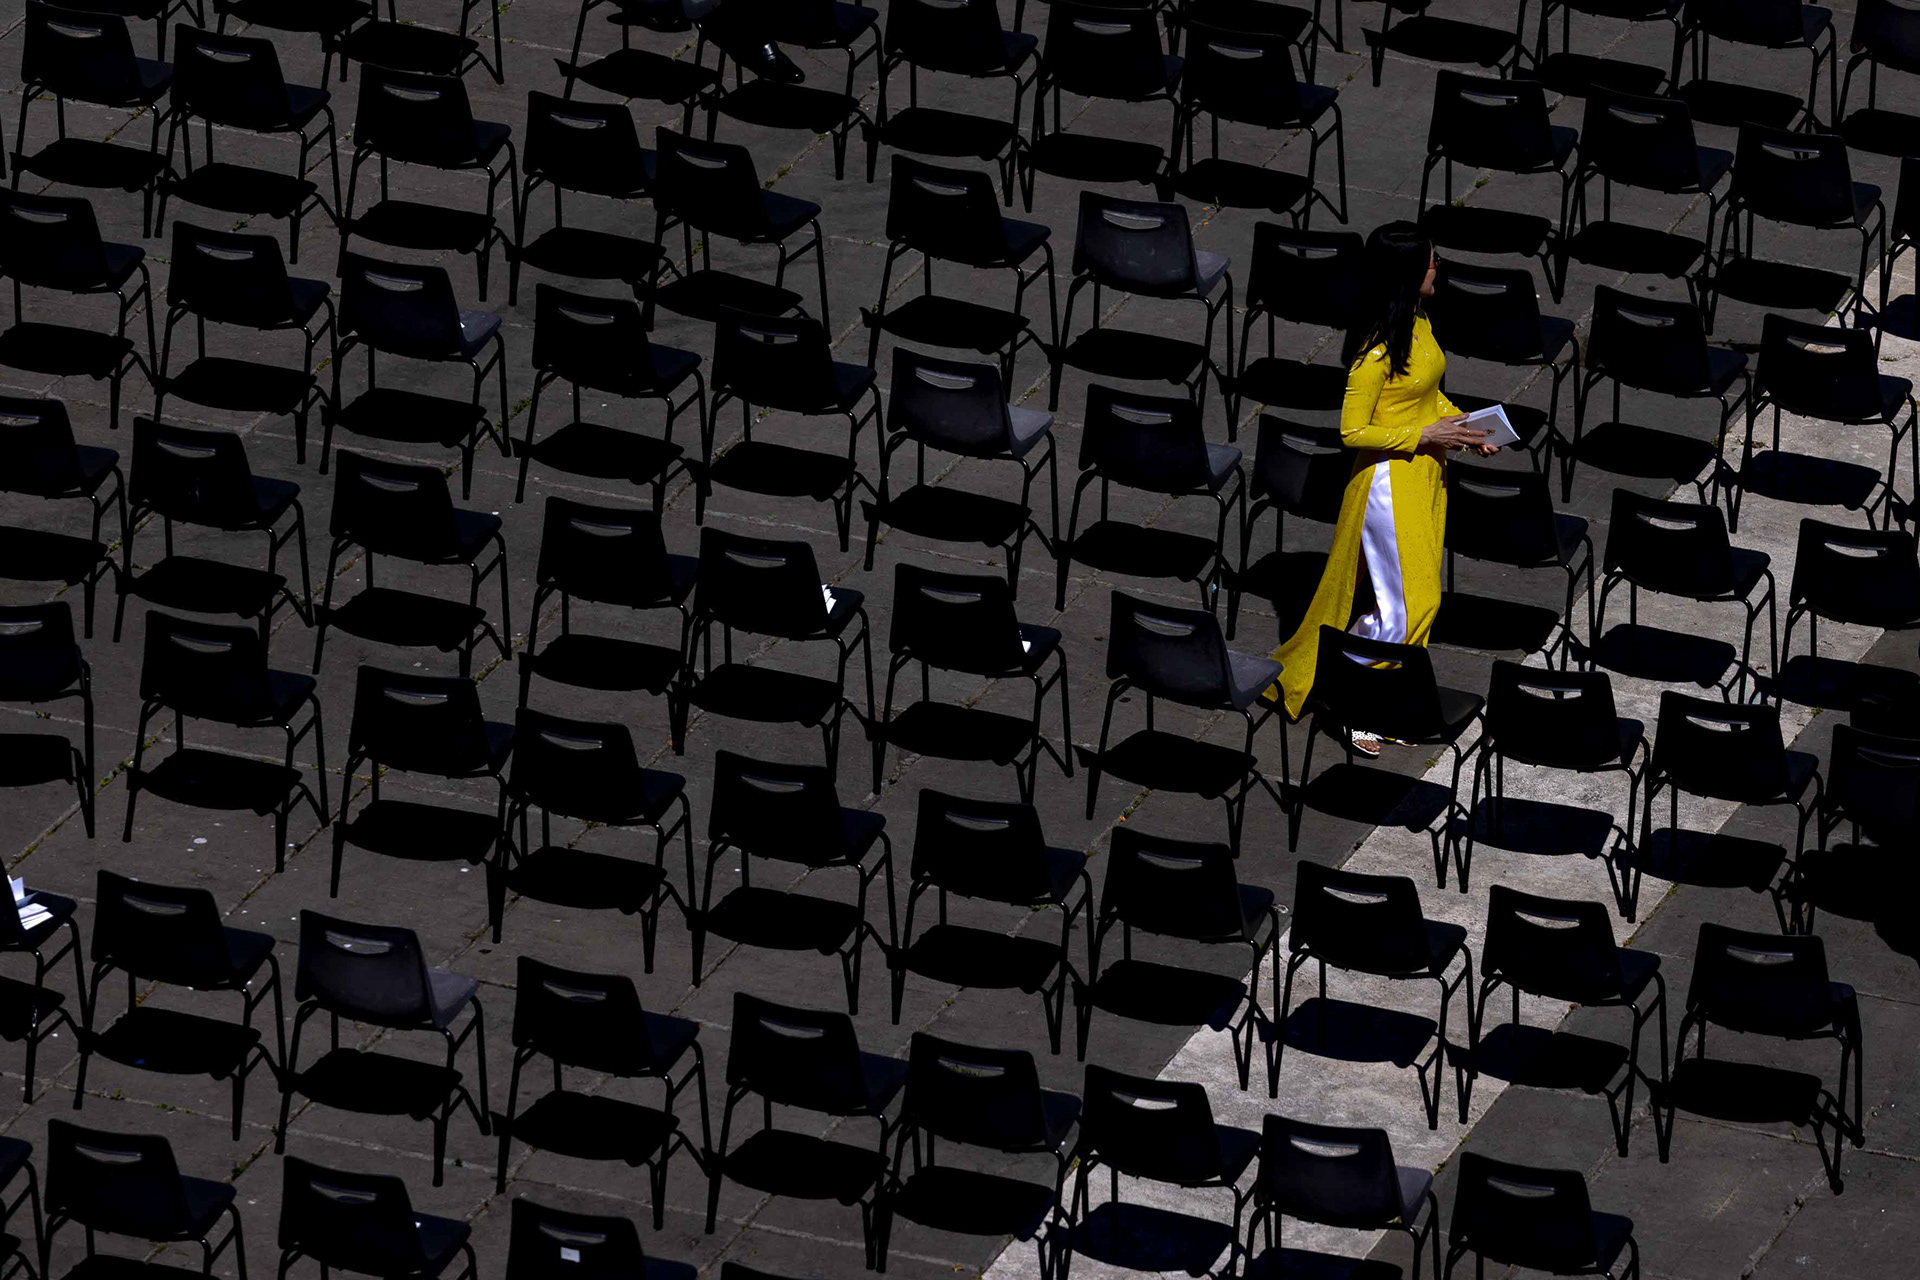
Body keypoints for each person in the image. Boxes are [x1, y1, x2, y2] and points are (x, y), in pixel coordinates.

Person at [1270, 222, 1497, 756]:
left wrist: (1464, 429)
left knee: (1408, 601)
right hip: (1388, 485)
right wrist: (1425, 436)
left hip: (1423, 477)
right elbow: (1352, 431)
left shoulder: (1417, 321)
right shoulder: (1374, 351)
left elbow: (1427, 396)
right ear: (1408, 273)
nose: (1438, 267)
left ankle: (1374, 693)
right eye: (1432, 260)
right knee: (1410, 603)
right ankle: (1356, 702)